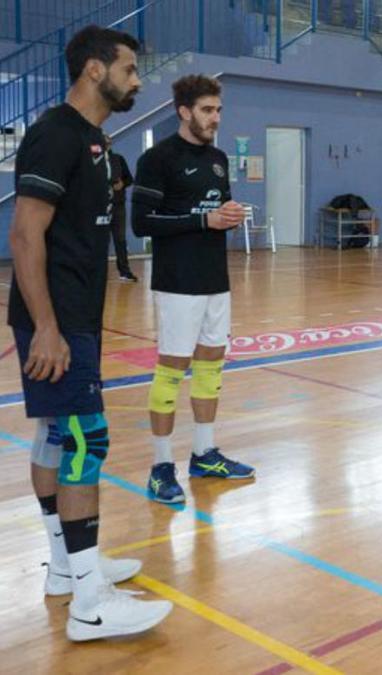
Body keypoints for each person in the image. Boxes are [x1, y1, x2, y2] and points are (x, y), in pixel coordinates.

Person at [8, 25, 172, 641]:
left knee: (58, 434)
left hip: (76, 314)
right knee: (86, 441)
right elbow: (25, 235)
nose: (137, 80)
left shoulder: (95, 140)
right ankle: (91, 605)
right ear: (96, 70)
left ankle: (66, 569)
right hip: (57, 319)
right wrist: (47, 328)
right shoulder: (56, 134)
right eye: (129, 69)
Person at [131, 74, 252, 504]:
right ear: (184, 111)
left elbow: (215, 212)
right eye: (206, 110)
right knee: (172, 368)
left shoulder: (218, 158)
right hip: (177, 283)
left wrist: (228, 214)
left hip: (215, 280)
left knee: (211, 365)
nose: (215, 118)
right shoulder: (157, 159)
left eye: (218, 110)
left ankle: (204, 453)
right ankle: (161, 466)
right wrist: (204, 220)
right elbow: (141, 224)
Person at [105, 135, 136, 281]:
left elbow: (129, 178)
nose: (106, 144)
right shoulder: (91, 160)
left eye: (108, 141)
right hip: (99, 207)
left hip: (118, 206)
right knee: (98, 240)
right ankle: (97, 273)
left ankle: (124, 271)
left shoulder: (118, 159)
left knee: (120, 239)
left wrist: (122, 184)